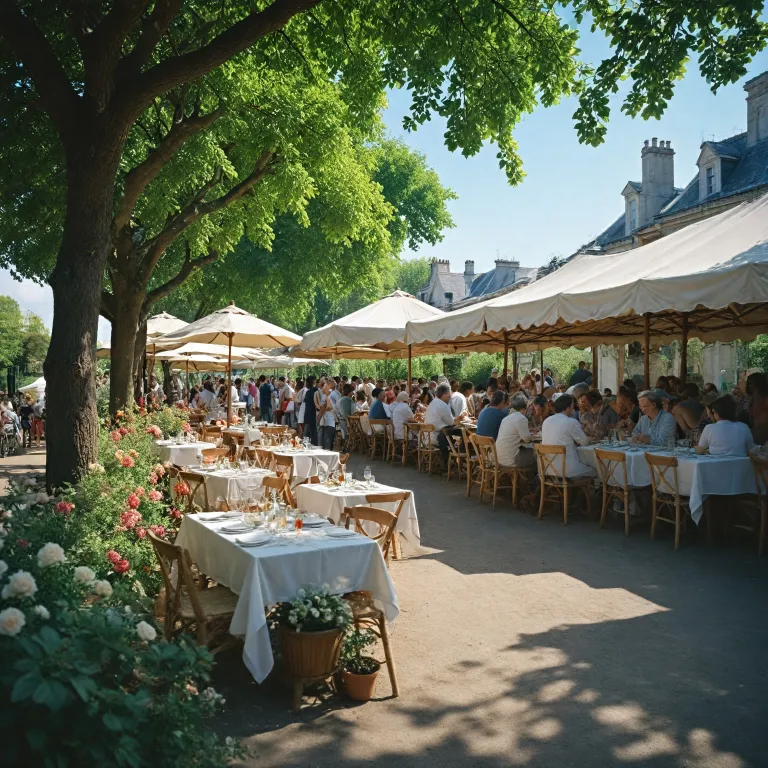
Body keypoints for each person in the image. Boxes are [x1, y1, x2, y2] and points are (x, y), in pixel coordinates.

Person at [540, 394, 595, 477]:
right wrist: (591, 439)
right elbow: (585, 442)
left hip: (548, 470)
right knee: (595, 469)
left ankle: (577, 490)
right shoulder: (571, 422)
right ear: (568, 408)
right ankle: (586, 490)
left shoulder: (546, 421)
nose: (574, 409)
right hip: (567, 471)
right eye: (573, 406)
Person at [425, 383, 462, 465]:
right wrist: (460, 420)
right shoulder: (442, 405)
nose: (450, 397)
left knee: (453, 432)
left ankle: (449, 461)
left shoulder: (432, 403)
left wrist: (457, 418)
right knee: (461, 434)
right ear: (445, 394)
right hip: (437, 437)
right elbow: (451, 422)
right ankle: (457, 460)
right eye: (449, 395)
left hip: (427, 436)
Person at [496, 393, 537, 469]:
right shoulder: (521, 418)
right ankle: (533, 479)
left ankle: (522, 478)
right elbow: (526, 439)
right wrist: (535, 436)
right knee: (537, 454)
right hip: (512, 459)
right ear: (524, 408)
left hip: (499, 458)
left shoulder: (506, 419)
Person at [317, 379, 336, 450]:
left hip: (330, 421)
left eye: (324, 385)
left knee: (327, 442)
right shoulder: (324, 395)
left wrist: (318, 416)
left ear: (329, 386)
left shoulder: (333, 395)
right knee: (323, 442)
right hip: (324, 422)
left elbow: (328, 407)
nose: (323, 387)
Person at [303, 375, 319, 445]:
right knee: (314, 431)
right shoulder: (316, 391)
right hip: (314, 413)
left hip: (308, 414)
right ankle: (314, 444)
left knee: (307, 431)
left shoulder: (308, 392)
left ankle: (305, 444)